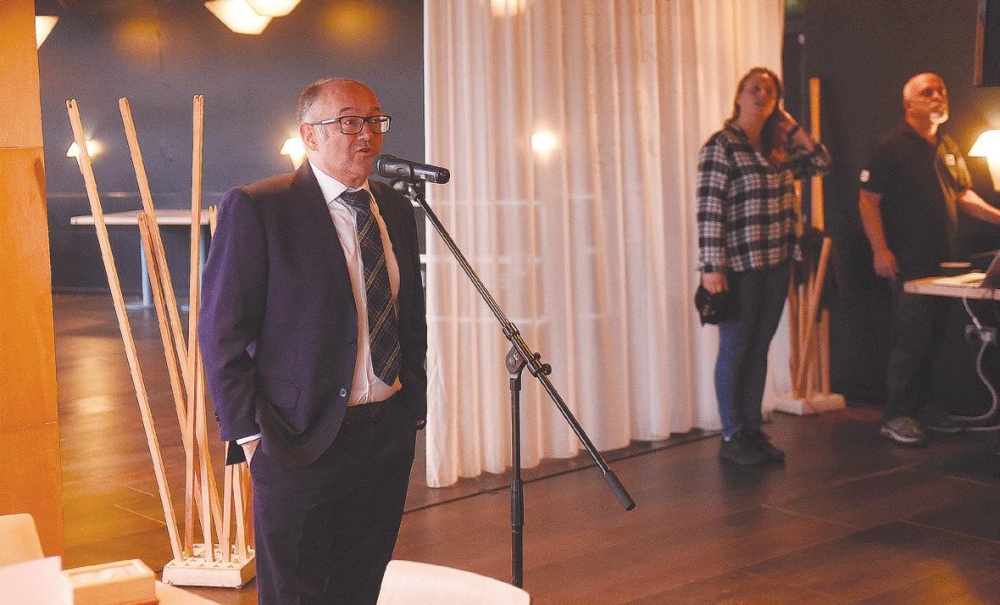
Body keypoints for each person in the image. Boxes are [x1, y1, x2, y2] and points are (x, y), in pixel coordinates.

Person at [199, 78, 427, 604]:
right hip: (297, 439)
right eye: (349, 121)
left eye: (374, 120)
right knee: (296, 594)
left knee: (360, 586)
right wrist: (250, 439)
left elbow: (408, 318)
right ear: (309, 135)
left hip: (385, 435)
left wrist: (411, 404)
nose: (366, 134)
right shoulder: (259, 207)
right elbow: (221, 332)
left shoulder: (392, 208)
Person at [697, 67, 832, 466]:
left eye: (769, 91)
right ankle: (732, 433)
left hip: (776, 262)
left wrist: (794, 130)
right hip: (738, 265)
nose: (761, 95)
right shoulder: (722, 146)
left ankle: (752, 429)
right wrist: (711, 266)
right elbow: (710, 208)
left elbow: (822, 163)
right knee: (736, 349)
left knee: (759, 349)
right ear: (739, 96)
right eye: (754, 88)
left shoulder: (778, 148)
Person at [858, 72, 1000, 446]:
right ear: (908, 104)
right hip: (907, 262)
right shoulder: (890, 146)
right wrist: (880, 249)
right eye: (927, 92)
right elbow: (868, 201)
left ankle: (922, 408)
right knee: (912, 338)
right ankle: (897, 414)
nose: (938, 96)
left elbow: (963, 195)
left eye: (941, 91)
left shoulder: (947, 146)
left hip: (944, 261)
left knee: (935, 338)